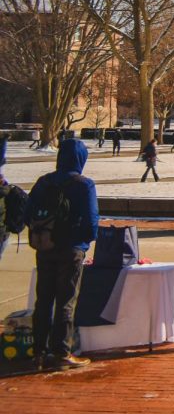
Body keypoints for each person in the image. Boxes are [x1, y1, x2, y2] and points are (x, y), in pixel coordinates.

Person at [25, 138, 98, 369]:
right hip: (71, 249)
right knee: (66, 301)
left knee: (43, 300)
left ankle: (38, 352)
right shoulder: (84, 185)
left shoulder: (43, 182)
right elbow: (91, 221)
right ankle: (61, 353)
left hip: (45, 246)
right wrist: (83, 240)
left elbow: (29, 213)